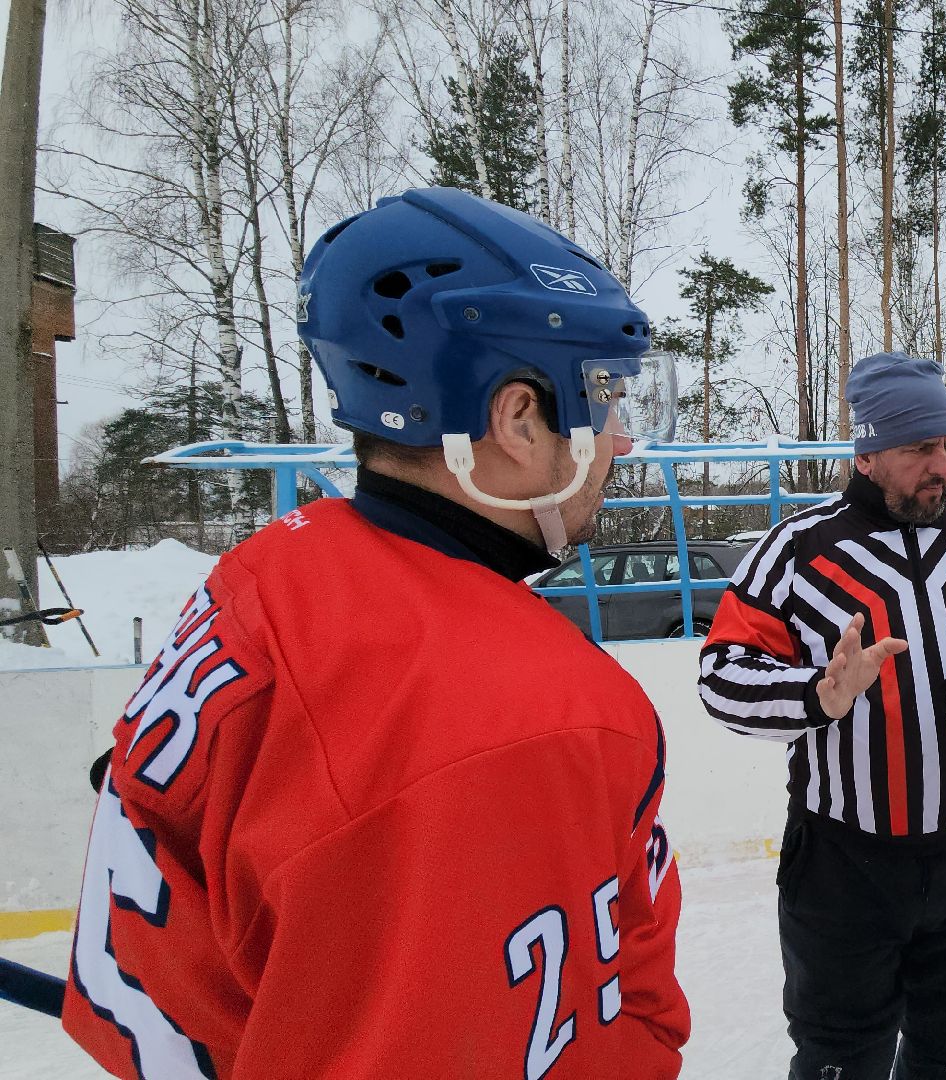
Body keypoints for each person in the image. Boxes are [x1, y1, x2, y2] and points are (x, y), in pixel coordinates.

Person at [62, 188, 691, 1077]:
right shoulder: (536, 715)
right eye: (603, 396)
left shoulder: (272, 568)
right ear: (517, 419)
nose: (620, 440)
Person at [697, 352, 946, 1080]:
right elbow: (722, 679)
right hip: (843, 862)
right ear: (866, 455)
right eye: (919, 448)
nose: (942, 466)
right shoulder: (797, 551)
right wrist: (817, 695)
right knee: (842, 1052)